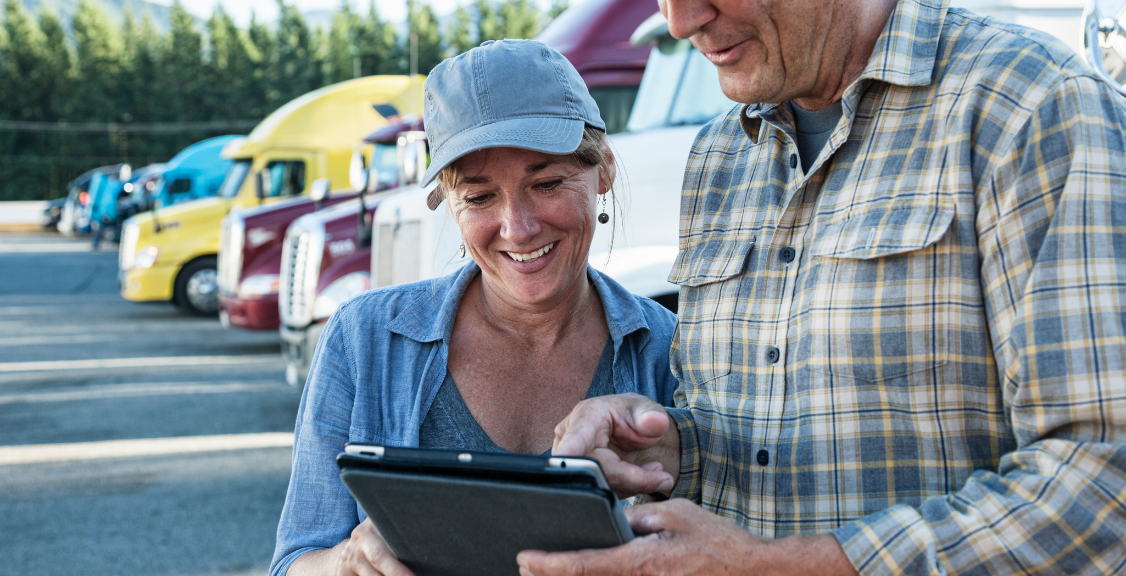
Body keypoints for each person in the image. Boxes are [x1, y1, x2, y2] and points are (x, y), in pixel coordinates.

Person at [519, 0, 1126, 575]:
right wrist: (672, 449)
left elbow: (1102, 483)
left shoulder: (1031, 105)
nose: (681, 22)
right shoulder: (719, 154)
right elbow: (785, 437)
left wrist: (782, 568)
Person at [269, 39, 681, 576]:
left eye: (548, 183)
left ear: (603, 170)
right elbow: (295, 561)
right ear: (448, 201)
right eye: (480, 197)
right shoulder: (364, 339)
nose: (518, 227)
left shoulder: (670, 350)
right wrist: (344, 563)